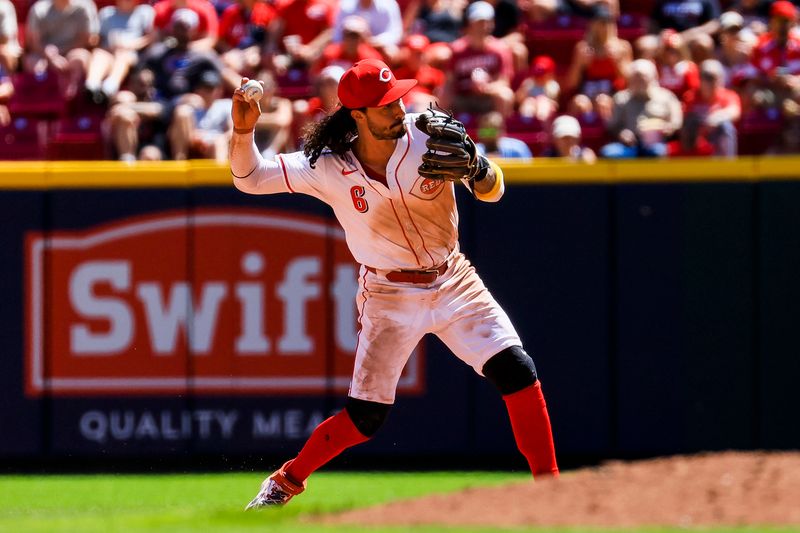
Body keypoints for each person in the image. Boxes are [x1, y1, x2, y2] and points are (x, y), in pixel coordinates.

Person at [229, 58, 559, 507]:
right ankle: (286, 480)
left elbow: (495, 190)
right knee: (365, 418)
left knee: (517, 370)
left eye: (398, 97)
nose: (398, 109)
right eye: (385, 105)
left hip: (453, 279)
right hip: (387, 292)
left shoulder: (428, 133)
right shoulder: (326, 166)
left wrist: (479, 170)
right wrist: (244, 133)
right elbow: (249, 179)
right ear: (358, 115)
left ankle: (555, 490)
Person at [600, 58, 683, 158]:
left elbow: (676, 122)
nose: (639, 81)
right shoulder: (621, 99)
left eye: (643, 77)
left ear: (653, 77)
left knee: (658, 153)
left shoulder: (667, 97)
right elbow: (613, 126)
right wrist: (621, 133)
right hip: (629, 145)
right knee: (610, 153)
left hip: (657, 143)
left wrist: (666, 129)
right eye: (635, 77)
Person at [446, 1, 515, 116]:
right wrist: (467, 87)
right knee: (443, 93)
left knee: (505, 95)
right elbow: (449, 81)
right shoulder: (457, 49)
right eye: (479, 22)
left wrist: (485, 88)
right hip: (463, 96)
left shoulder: (500, 49)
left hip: (488, 97)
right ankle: (442, 132)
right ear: (470, 23)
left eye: (487, 22)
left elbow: (503, 81)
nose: (483, 26)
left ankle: (499, 130)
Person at [564, 4, 631, 123]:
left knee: (603, 102)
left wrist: (617, 63)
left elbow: (629, 82)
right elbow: (571, 84)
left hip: (611, 95)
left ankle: (607, 136)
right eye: (600, 23)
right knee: (579, 102)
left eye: (607, 23)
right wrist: (579, 65)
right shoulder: (582, 48)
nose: (604, 27)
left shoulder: (622, 47)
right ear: (593, 24)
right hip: (587, 94)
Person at [24, 0, 100, 100]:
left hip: (73, 51)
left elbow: (88, 40)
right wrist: (49, 56)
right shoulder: (39, 8)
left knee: (79, 58)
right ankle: (39, 100)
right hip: (44, 54)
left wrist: (59, 54)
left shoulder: (84, 6)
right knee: (34, 64)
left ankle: (73, 98)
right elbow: (33, 43)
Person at [85, 0, 155, 102]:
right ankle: (91, 86)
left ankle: (109, 89)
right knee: (99, 54)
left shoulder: (145, 12)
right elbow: (98, 40)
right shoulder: (106, 13)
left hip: (131, 53)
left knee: (123, 56)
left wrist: (131, 45)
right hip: (109, 51)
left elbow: (150, 38)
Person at [681, 59, 741, 156]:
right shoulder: (691, 96)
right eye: (704, 76)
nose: (707, 82)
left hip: (717, 137)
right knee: (690, 123)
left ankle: (727, 166)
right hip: (698, 138)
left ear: (721, 79)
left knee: (725, 126)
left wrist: (715, 118)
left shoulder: (728, 95)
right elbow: (685, 118)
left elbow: (734, 112)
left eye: (711, 77)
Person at [0, 0, 21, 74]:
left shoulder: (4, 6)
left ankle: (7, 81)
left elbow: (4, 39)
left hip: (6, 49)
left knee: (4, 53)